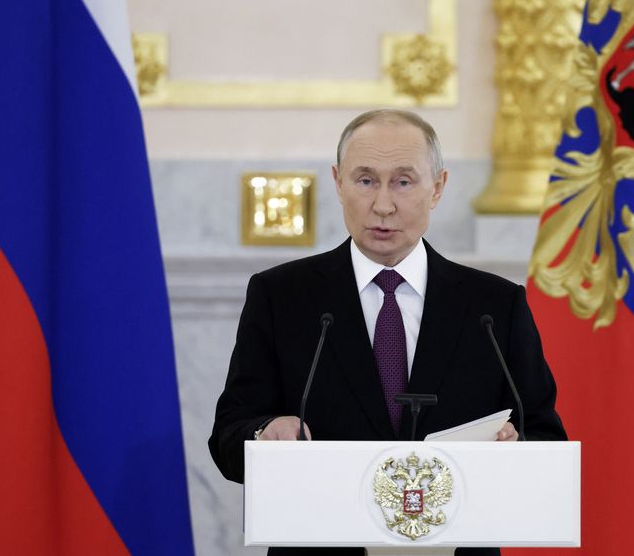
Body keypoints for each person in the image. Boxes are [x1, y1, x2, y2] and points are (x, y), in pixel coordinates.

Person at [209, 109, 566, 556]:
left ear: (437, 188)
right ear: (338, 183)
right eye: (364, 180)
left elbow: (545, 437)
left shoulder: (494, 307)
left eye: (403, 181)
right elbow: (227, 438)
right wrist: (265, 433)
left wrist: (514, 451)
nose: (383, 205)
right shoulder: (281, 296)